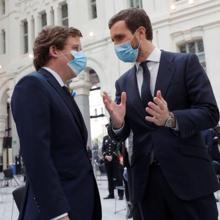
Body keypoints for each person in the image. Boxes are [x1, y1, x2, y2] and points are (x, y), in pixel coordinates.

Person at [103, 8, 219, 220]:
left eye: (120, 37)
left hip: (189, 180)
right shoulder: (123, 82)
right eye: (112, 40)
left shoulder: (185, 64)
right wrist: (118, 124)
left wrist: (171, 119)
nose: (116, 46)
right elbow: (123, 132)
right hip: (146, 186)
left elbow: (210, 113)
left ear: (140, 32)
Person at [11, 26, 102, 220]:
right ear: (54, 51)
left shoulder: (59, 89)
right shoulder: (32, 85)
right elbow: (37, 157)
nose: (81, 55)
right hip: (58, 211)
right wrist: (57, 214)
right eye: (76, 49)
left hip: (77, 204)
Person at [102, 134, 124, 200]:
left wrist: (112, 156)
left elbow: (119, 149)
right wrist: (105, 156)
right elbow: (103, 149)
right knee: (109, 178)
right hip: (107, 161)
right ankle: (111, 194)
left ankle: (120, 194)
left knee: (118, 177)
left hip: (115, 161)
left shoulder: (117, 136)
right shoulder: (105, 138)